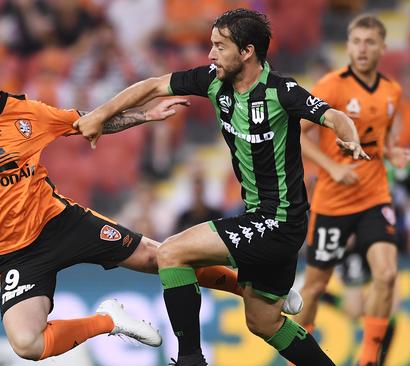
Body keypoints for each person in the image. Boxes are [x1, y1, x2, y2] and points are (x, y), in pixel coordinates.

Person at [0, 43, 303, 362]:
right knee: (27, 344)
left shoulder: (28, 111)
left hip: (61, 221)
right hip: (14, 253)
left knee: (160, 257)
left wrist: (143, 115)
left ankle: (250, 286)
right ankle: (109, 321)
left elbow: (89, 124)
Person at [73, 8, 370, 366]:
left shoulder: (281, 91)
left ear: (247, 51)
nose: (210, 55)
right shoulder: (212, 82)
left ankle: (190, 359)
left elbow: (334, 116)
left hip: (278, 220)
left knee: (171, 253)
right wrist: (100, 115)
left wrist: (348, 139)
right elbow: (152, 85)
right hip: (266, 220)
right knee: (264, 322)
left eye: (219, 46)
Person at [293, 14, 406, 366]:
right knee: (313, 289)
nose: (361, 48)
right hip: (333, 203)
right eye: (356, 41)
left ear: (382, 48)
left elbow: (382, 137)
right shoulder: (331, 86)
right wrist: (331, 167)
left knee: (387, 274)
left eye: (369, 42)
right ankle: (296, 357)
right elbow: (298, 134)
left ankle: (368, 358)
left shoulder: (392, 90)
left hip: (375, 197)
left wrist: (392, 151)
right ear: (348, 44)